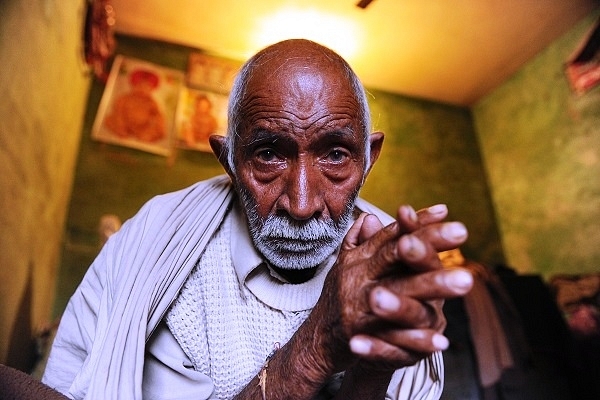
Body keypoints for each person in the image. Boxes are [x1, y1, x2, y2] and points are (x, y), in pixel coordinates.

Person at [42, 39, 473, 399]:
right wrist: (318, 342)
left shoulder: (390, 264)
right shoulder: (157, 245)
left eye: (336, 155)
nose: (302, 205)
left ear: (368, 158)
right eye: (268, 154)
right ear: (228, 160)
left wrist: (374, 367)